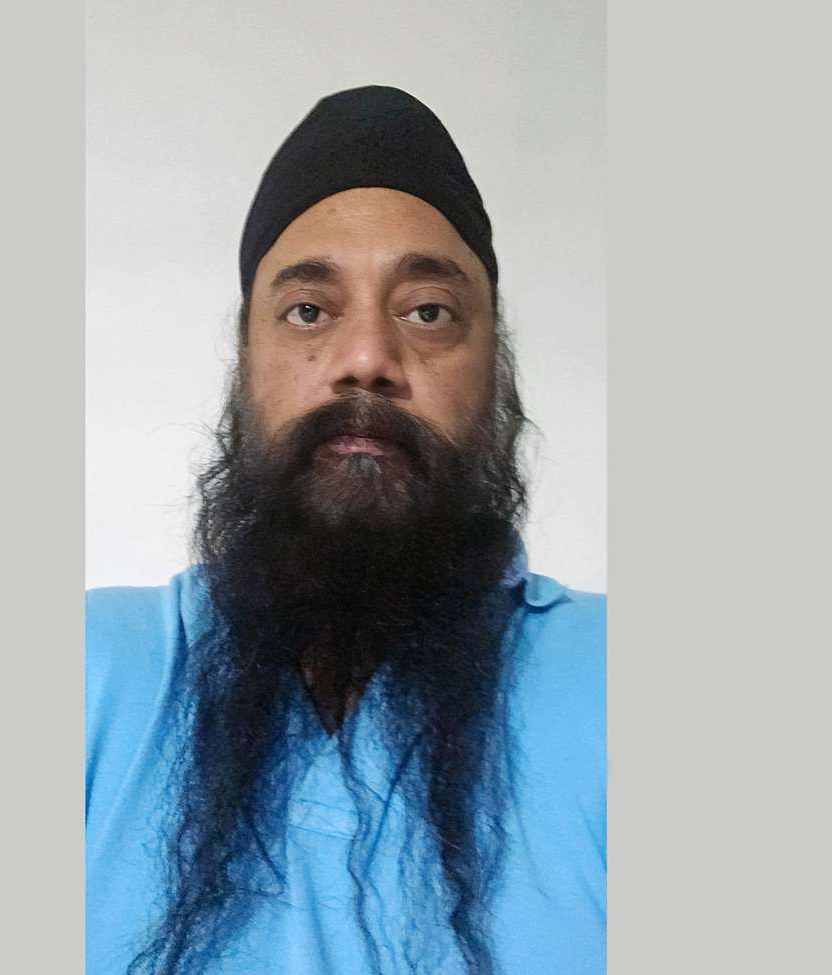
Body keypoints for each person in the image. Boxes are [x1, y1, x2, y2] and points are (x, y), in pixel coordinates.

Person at [86, 86, 605, 975]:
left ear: (495, 367)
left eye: (427, 311)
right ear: (245, 360)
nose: (366, 358)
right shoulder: (88, 672)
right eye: (308, 310)